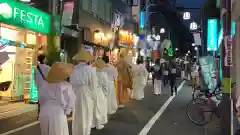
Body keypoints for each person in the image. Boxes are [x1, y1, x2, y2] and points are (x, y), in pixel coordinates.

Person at [38, 62, 75, 135]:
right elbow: (71, 100)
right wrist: (68, 111)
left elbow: (41, 99)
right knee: (58, 132)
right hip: (58, 112)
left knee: (45, 132)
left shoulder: (43, 84)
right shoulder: (66, 85)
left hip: (44, 111)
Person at [70, 50, 98, 135]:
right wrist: (94, 96)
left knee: (77, 113)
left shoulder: (73, 69)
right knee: (87, 113)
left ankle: (76, 131)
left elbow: (71, 83)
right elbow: (93, 84)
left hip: (76, 93)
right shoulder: (90, 70)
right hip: (86, 93)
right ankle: (85, 132)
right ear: (87, 60)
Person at [92, 59, 109, 129]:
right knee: (100, 108)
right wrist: (105, 94)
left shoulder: (91, 72)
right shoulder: (103, 74)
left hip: (92, 92)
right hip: (99, 92)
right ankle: (98, 124)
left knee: (93, 108)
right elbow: (106, 85)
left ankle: (92, 123)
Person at [35, 54, 51, 119]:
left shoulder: (36, 68)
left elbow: (35, 79)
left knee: (40, 101)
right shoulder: (48, 68)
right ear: (44, 59)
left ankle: (39, 115)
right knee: (47, 102)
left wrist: (38, 86)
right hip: (47, 87)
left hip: (39, 87)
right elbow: (51, 77)